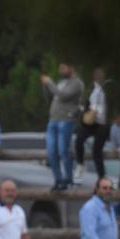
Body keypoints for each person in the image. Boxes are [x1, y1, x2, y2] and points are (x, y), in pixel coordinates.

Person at [41, 63, 83, 191]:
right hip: (53, 120)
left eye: (64, 67)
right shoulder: (61, 82)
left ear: (72, 67)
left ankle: (68, 178)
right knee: (51, 151)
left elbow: (63, 95)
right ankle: (58, 179)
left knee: (63, 150)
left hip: (66, 120)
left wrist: (49, 83)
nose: (61, 70)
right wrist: (46, 87)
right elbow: (51, 97)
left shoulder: (76, 83)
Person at [74, 67, 108, 181]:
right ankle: (80, 164)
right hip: (91, 122)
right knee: (79, 140)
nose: (99, 78)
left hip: (101, 123)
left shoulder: (106, 90)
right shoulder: (92, 89)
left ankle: (102, 176)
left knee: (96, 151)